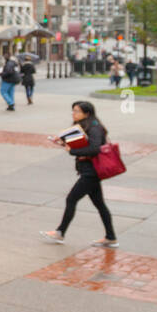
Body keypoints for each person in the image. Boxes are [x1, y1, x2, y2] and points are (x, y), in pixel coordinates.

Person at [41, 100, 117, 248]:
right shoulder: (86, 125)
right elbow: (82, 143)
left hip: (91, 172)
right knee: (99, 204)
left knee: (71, 199)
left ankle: (60, 232)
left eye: (76, 111)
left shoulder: (95, 128)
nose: (73, 114)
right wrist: (63, 143)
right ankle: (111, 237)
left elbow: (94, 149)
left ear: (86, 113)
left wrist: (73, 151)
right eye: (73, 111)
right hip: (89, 171)